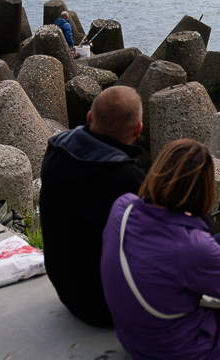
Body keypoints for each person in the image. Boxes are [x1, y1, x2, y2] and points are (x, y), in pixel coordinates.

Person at [101, 139, 220, 360]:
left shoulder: (123, 207)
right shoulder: (191, 245)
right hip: (179, 352)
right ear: (202, 191)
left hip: (135, 337)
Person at [39, 86, 146, 328]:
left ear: (89, 117)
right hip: (108, 307)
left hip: (69, 291)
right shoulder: (128, 179)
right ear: (138, 130)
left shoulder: (56, 150)